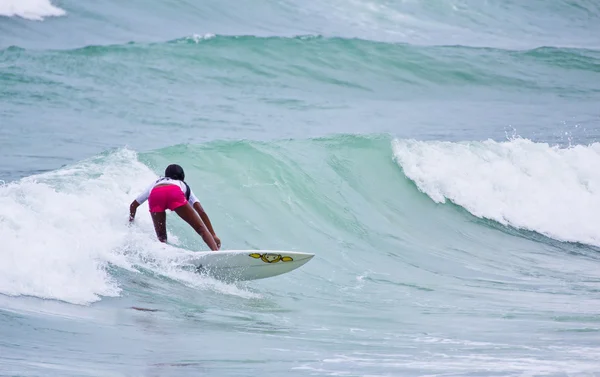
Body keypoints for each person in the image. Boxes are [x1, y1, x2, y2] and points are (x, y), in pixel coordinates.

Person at [128, 164, 220, 251]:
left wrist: (131, 222)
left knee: (162, 238)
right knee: (201, 229)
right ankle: (216, 253)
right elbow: (201, 211)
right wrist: (213, 235)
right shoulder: (182, 184)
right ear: (182, 176)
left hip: (155, 195)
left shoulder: (155, 183)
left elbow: (133, 205)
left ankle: (165, 259)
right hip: (174, 192)